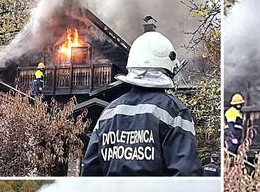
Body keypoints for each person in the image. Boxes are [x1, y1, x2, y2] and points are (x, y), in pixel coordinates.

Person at [81, 30, 202, 176]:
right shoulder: (174, 112)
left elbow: (90, 172)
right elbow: (187, 175)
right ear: (167, 67)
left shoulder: (108, 113)